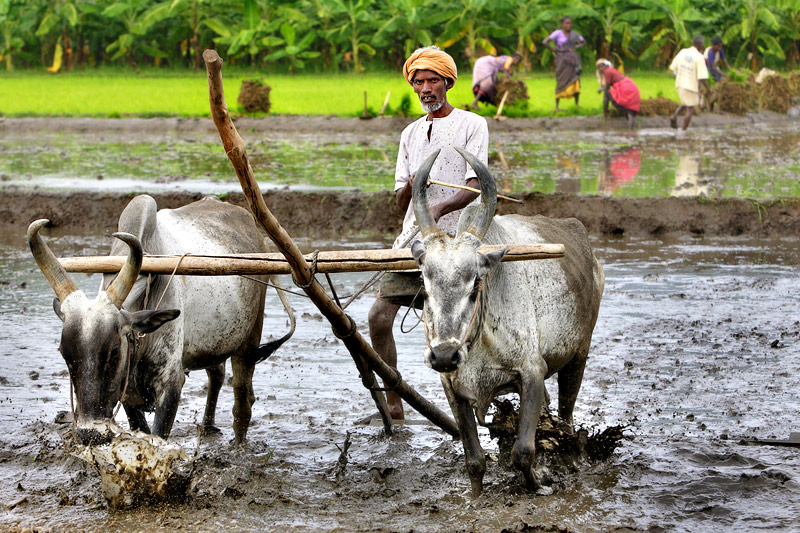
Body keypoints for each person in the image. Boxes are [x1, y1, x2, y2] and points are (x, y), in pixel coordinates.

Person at [367, 46, 490, 421]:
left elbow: (474, 187)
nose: (425, 88)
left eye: (432, 80)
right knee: (377, 318)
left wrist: (439, 207)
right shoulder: (410, 134)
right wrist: (414, 185)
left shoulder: (472, 124)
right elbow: (401, 195)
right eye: (418, 81)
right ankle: (394, 400)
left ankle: (475, 395)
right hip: (415, 242)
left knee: (464, 325)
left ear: (447, 82)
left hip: (458, 244)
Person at [542, 16, 585, 111]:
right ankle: (557, 106)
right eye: (566, 23)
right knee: (560, 80)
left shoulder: (574, 34)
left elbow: (583, 42)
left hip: (573, 60)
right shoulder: (557, 33)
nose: (568, 25)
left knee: (575, 80)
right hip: (561, 60)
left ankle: (576, 105)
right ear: (562, 24)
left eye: (570, 23)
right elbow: (545, 42)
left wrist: (576, 47)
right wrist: (554, 50)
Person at [668, 35, 710, 131]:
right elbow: (702, 77)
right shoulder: (699, 57)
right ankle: (683, 131)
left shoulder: (683, 52)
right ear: (700, 45)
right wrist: (708, 89)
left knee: (685, 102)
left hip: (679, 83)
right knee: (690, 108)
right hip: (690, 86)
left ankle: (674, 115)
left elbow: (673, 67)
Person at [595, 59, 641, 130]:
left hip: (625, 89)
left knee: (607, 94)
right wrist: (602, 89)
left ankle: (605, 114)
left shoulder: (607, 71)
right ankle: (631, 131)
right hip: (631, 88)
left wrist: (601, 90)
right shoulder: (611, 70)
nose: (601, 69)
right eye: (599, 67)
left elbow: (607, 88)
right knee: (630, 111)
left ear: (606, 66)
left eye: (602, 67)